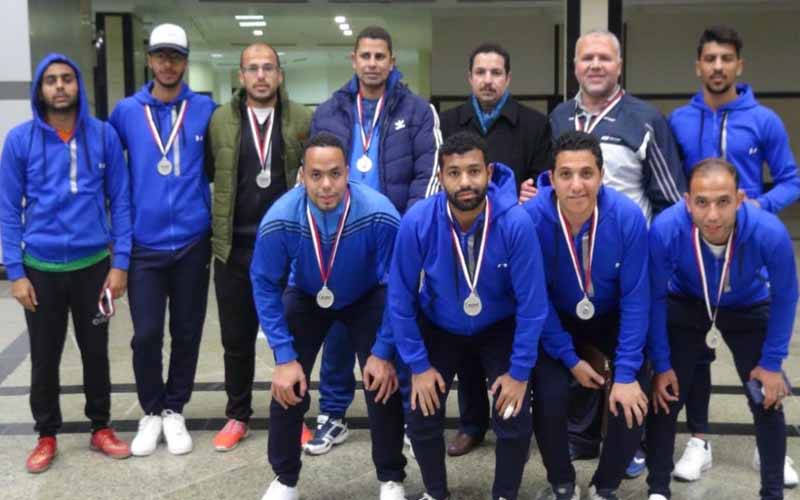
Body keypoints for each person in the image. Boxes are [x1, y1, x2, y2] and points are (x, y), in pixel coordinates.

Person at [545, 30, 685, 477]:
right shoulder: (560, 116)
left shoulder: (645, 119)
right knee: (579, 343)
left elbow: (670, 198)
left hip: (626, 258)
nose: (595, 65)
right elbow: (552, 179)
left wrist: (657, 259)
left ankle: (632, 441)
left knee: (631, 347)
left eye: (604, 58)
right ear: (574, 66)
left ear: (619, 65)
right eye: (587, 58)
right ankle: (582, 435)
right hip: (573, 255)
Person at [666, 25, 800, 486]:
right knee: (694, 359)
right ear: (698, 66)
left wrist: (759, 208)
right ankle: (699, 440)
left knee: (759, 356)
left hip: (745, 261)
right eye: (710, 59)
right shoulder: (678, 121)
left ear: (739, 65)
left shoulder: (764, 120)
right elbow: (669, 182)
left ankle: (770, 448)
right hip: (693, 259)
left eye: (726, 58)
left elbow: (791, 179)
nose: (718, 66)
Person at [390, 131, 548, 500]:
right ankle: (435, 493)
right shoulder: (418, 221)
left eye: (474, 171)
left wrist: (519, 372)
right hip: (440, 324)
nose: (465, 182)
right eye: (454, 173)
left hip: (498, 325)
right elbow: (399, 298)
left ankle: (505, 493)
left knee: (512, 414)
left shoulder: (515, 223)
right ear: (440, 177)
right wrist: (418, 365)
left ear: (489, 173)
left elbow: (533, 305)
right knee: (422, 410)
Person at [306, 24, 440, 454]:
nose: (372, 63)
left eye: (380, 56)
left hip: (394, 239)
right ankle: (333, 414)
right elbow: (314, 173)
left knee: (399, 322)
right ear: (353, 60)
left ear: (392, 61)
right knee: (337, 328)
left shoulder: (417, 111)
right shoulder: (329, 111)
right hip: (340, 239)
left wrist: (410, 232)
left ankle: (405, 415)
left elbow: (428, 174)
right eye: (365, 55)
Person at [251, 132, 407, 500]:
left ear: (348, 173)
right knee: (287, 385)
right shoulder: (280, 218)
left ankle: (391, 478)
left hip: (366, 295)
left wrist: (383, 350)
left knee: (382, 381)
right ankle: (285, 479)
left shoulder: (379, 213)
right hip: (307, 295)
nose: (326, 185)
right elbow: (264, 284)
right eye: (316, 175)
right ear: (302, 175)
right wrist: (284, 357)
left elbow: (401, 283)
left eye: (335, 174)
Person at [0, 53, 132, 472]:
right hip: (41, 269)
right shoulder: (20, 141)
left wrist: (120, 264)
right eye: (51, 80)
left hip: (94, 267)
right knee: (44, 357)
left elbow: (121, 201)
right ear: (40, 90)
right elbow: (7, 210)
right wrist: (15, 273)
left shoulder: (104, 135)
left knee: (96, 352)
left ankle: (101, 427)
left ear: (79, 86)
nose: (60, 86)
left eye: (67, 79)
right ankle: (46, 434)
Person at [645, 158, 797, 500]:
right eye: (702, 202)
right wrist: (662, 362)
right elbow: (654, 297)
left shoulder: (769, 232)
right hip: (688, 301)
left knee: (766, 396)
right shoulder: (666, 228)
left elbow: (786, 297)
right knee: (666, 395)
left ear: (739, 199)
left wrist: (772, 363)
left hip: (747, 305)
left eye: (723, 202)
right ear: (687, 201)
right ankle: (658, 488)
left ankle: (772, 492)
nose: (712, 215)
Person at [522, 130, 650, 500]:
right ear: (551, 178)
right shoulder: (529, 219)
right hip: (554, 318)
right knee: (549, 392)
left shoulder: (627, 217)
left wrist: (625, 373)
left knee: (633, 386)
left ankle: (605, 485)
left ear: (602, 175)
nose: (576, 185)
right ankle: (562, 483)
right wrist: (569, 358)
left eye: (586, 173)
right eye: (566, 174)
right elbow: (535, 301)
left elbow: (636, 299)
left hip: (610, 314)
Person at [108, 23, 216, 457]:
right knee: (147, 334)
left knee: (187, 331)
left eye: (176, 56)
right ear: (150, 60)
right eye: (160, 56)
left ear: (185, 61)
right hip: (145, 245)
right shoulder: (126, 112)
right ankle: (151, 410)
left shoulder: (205, 109)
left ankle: (174, 409)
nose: (168, 64)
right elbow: (110, 174)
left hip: (192, 240)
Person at [438, 42, 551, 456]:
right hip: (460, 240)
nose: (488, 80)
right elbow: (440, 180)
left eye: (496, 72)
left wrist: (525, 195)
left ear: (508, 78)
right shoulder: (448, 121)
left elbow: (542, 184)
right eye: (480, 72)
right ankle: (471, 422)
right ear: (469, 77)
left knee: (506, 333)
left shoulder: (534, 124)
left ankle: (511, 415)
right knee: (468, 330)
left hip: (510, 242)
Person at [206, 42, 311, 452]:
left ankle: (294, 415)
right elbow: (210, 174)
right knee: (236, 339)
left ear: (280, 75)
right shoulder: (220, 120)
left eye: (269, 68)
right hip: (233, 247)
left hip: (286, 248)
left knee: (292, 337)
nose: (261, 75)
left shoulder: (301, 118)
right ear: (241, 75)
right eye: (253, 68)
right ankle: (237, 415)